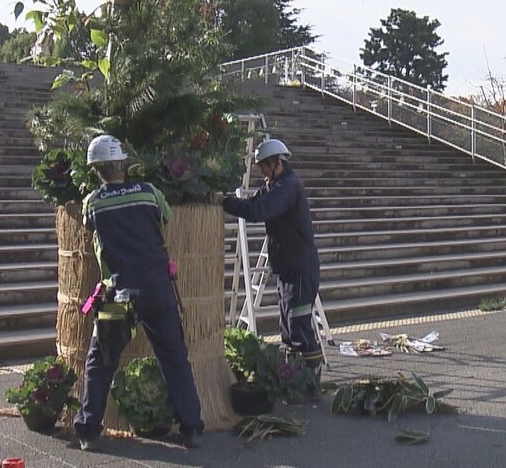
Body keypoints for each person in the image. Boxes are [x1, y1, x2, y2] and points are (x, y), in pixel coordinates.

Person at [73, 134, 204, 451]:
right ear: (121, 163)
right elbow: (166, 217)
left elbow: (91, 229)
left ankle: (88, 430)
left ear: (96, 170)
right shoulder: (149, 193)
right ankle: (191, 429)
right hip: (158, 288)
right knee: (174, 357)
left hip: (118, 293)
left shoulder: (93, 202)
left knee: (101, 360)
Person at [221, 138, 323, 372]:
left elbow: (259, 211)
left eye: (264, 167)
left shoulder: (288, 187)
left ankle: (309, 380)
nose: (262, 173)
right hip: (288, 267)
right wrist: (228, 201)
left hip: (299, 268)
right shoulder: (273, 185)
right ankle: (294, 378)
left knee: (299, 328)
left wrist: (224, 202)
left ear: (277, 162)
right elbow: (252, 203)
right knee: (287, 327)